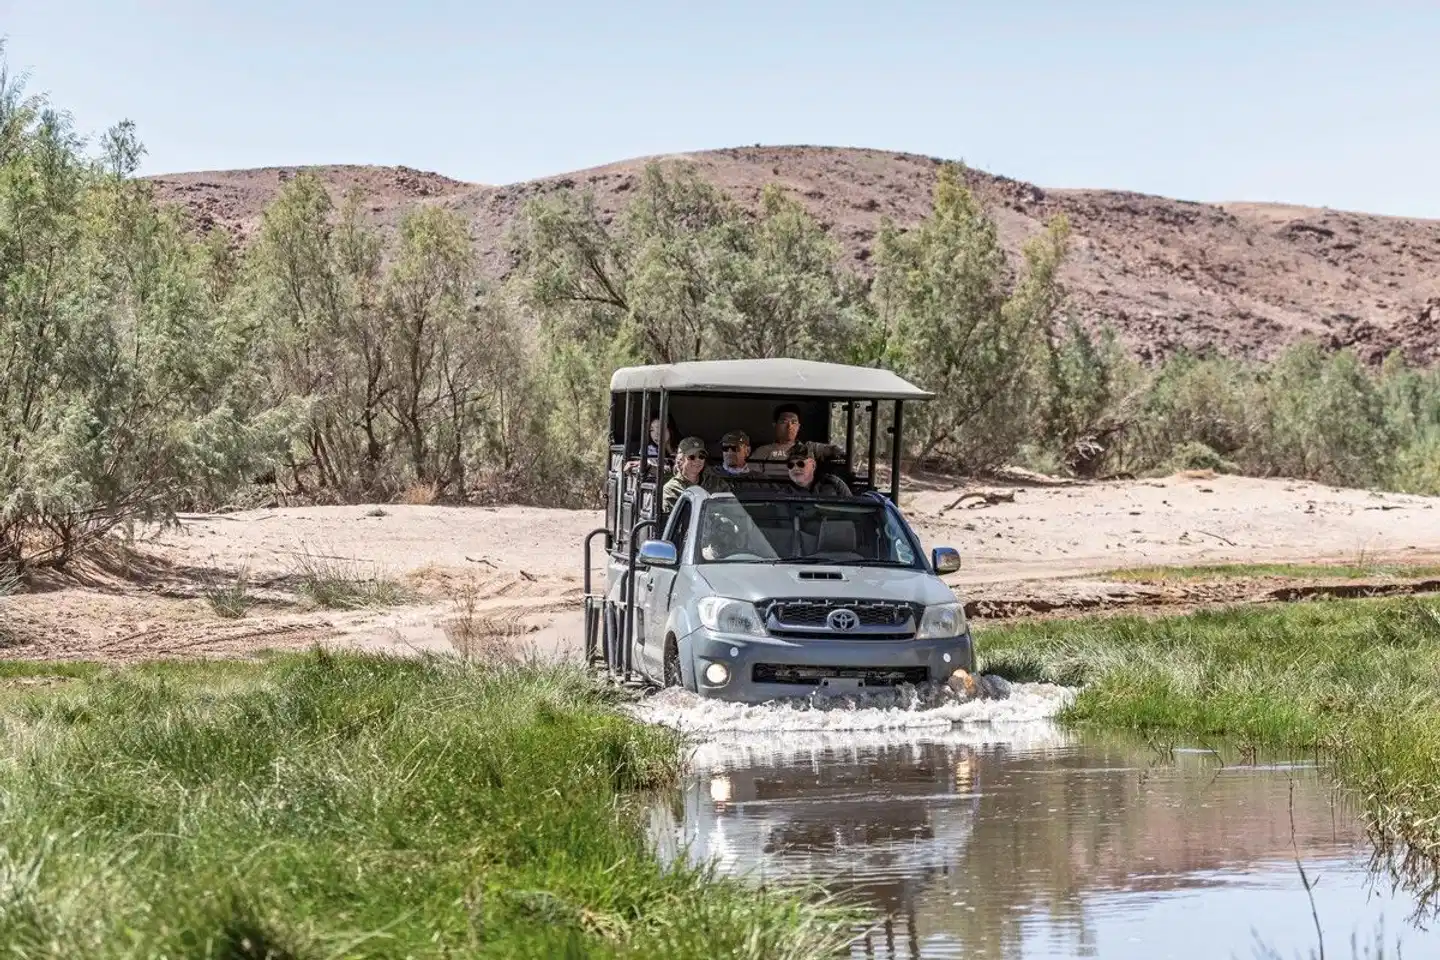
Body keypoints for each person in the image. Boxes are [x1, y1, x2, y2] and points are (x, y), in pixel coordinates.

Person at [661, 437, 731, 512]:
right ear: (681, 460)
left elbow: (731, 511)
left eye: (701, 456)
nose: (697, 460)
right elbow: (675, 520)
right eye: (692, 457)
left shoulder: (717, 483)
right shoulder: (671, 489)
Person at [784, 443, 851, 497]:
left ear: (813, 465)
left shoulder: (835, 484)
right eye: (790, 465)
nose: (795, 468)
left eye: (800, 464)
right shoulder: (783, 491)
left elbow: (851, 509)